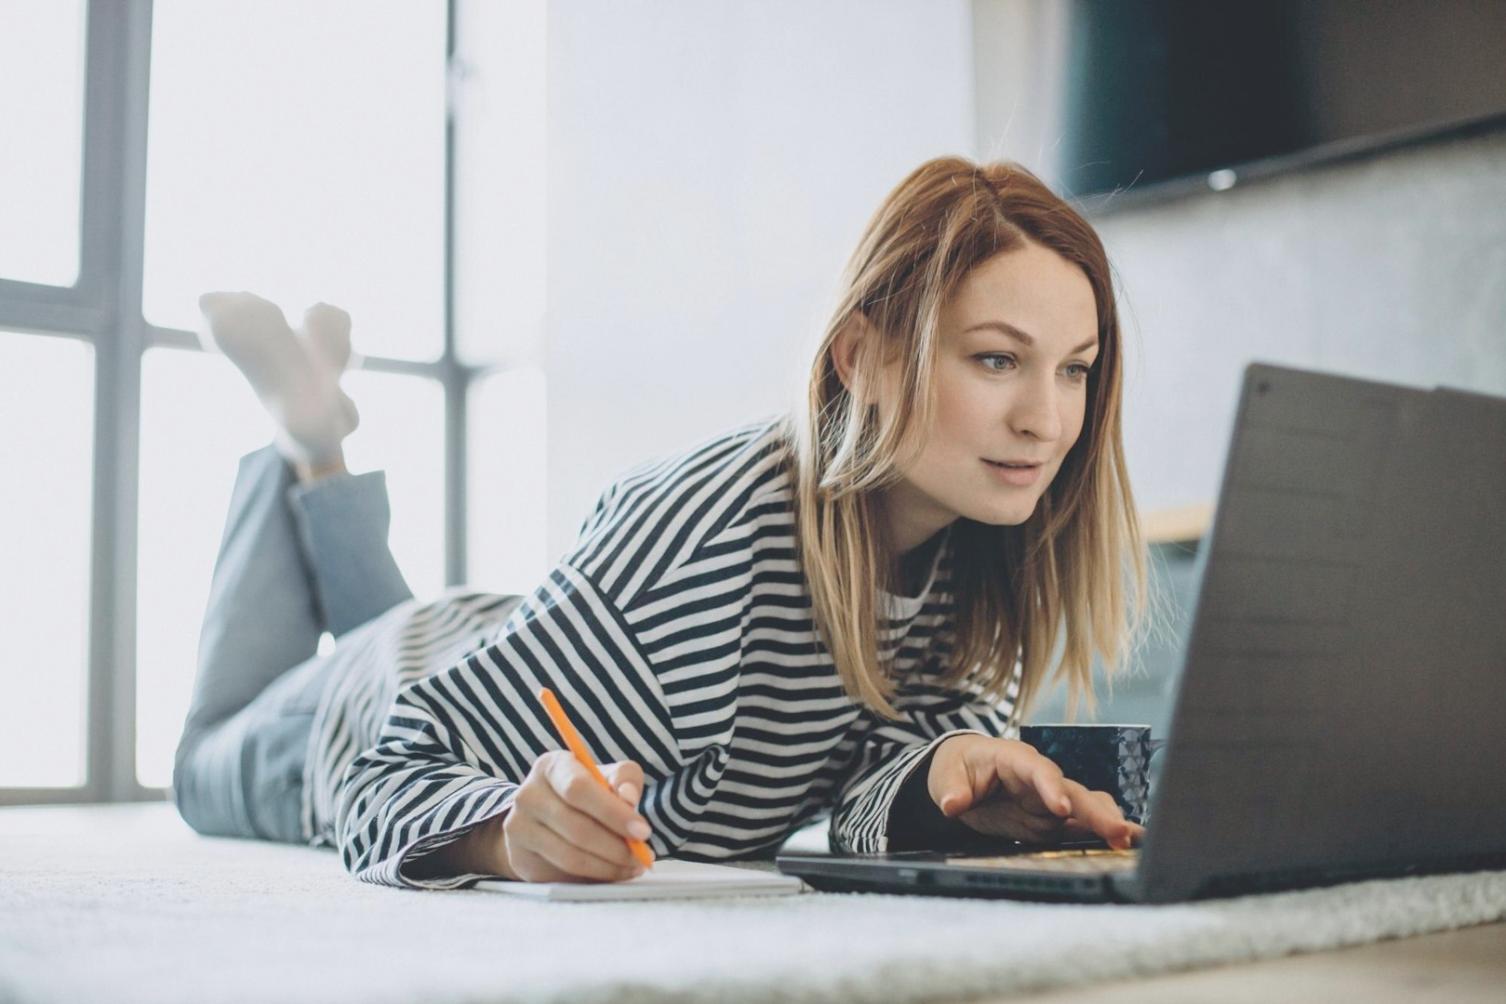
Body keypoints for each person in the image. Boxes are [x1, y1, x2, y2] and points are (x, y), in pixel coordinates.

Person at [172, 156, 1147, 890]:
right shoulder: (708, 548)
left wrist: (949, 779)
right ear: (860, 357)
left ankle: (318, 446)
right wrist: (507, 837)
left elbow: (861, 801)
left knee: (387, 621)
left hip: (475, 641)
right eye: (995, 359)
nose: (1048, 420)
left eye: (1074, 368)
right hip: (354, 712)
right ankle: (304, 439)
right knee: (200, 757)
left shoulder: (984, 550)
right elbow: (388, 766)